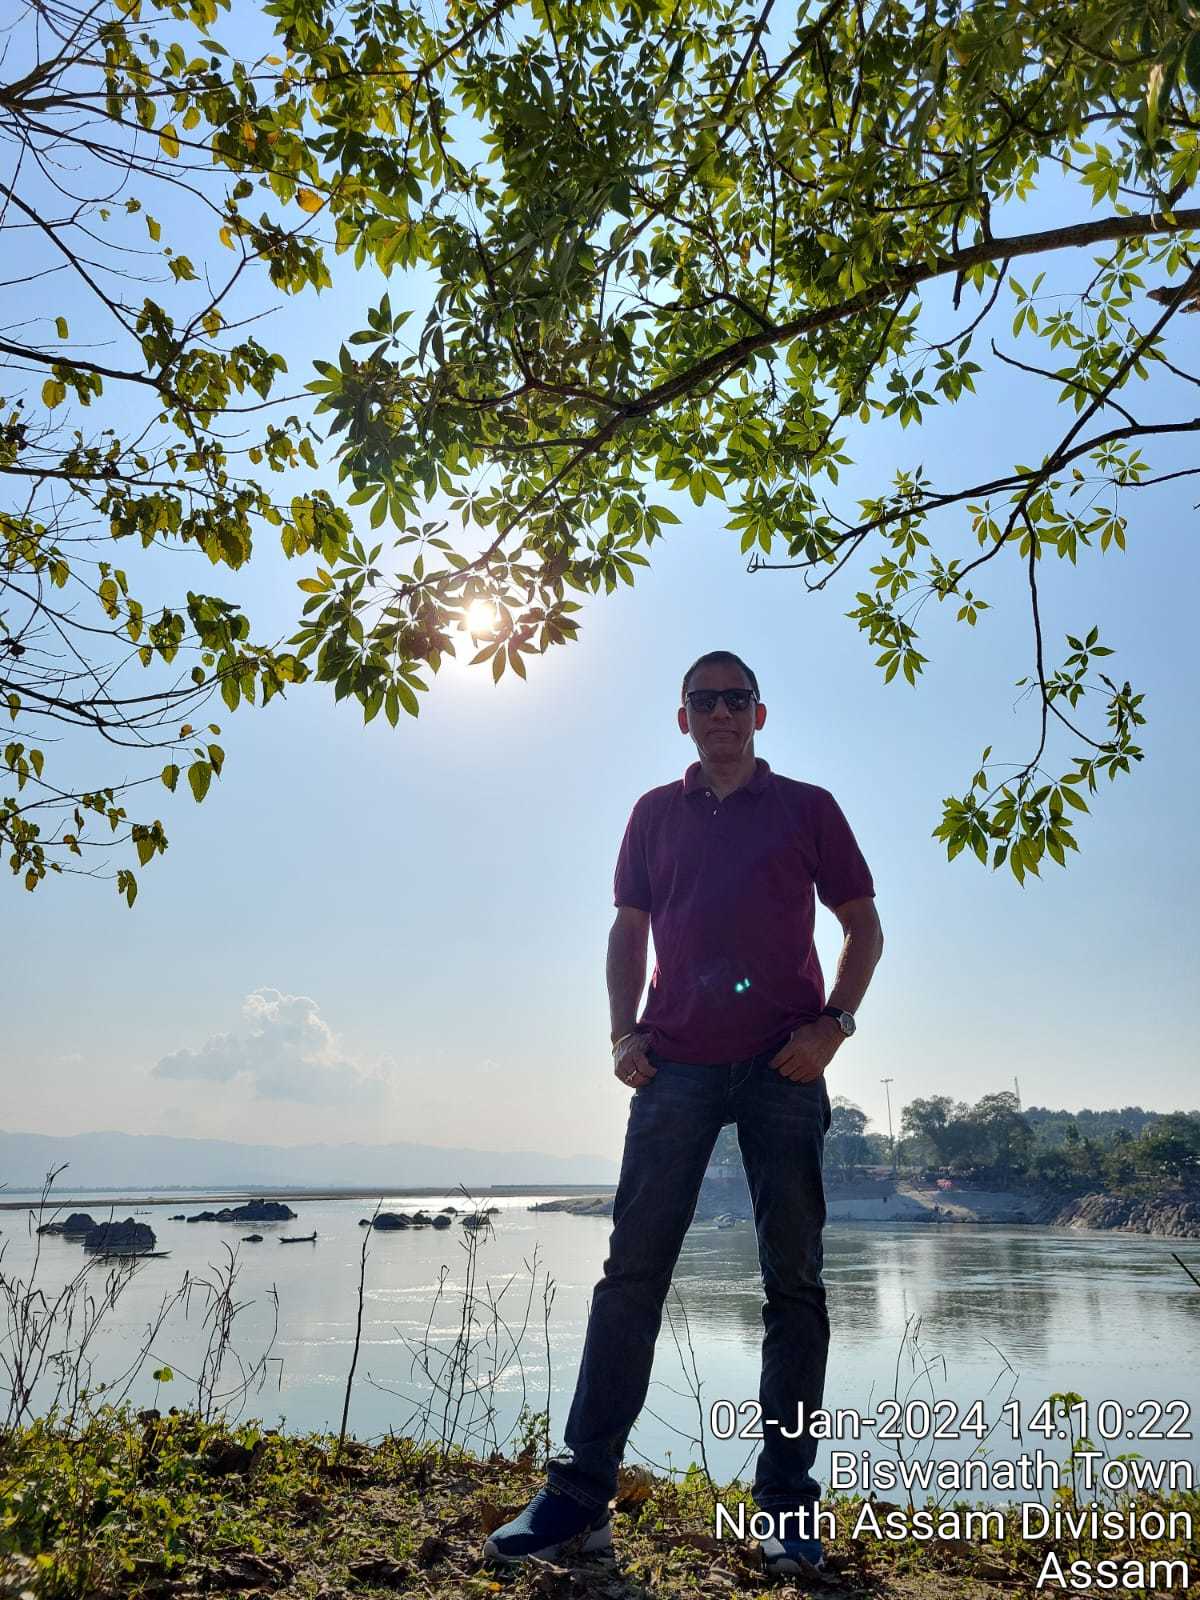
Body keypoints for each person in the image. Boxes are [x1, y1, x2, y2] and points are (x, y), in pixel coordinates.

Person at [484, 650, 884, 1576]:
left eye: (736, 699)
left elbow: (863, 924)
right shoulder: (652, 815)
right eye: (704, 701)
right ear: (684, 719)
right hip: (676, 1067)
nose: (721, 714)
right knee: (631, 1277)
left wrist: (833, 1026)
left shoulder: (809, 808)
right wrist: (621, 1034)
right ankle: (579, 1498)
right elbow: (628, 930)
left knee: (795, 1288)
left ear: (760, 713)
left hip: (785, 1064)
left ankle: (786, 1507)